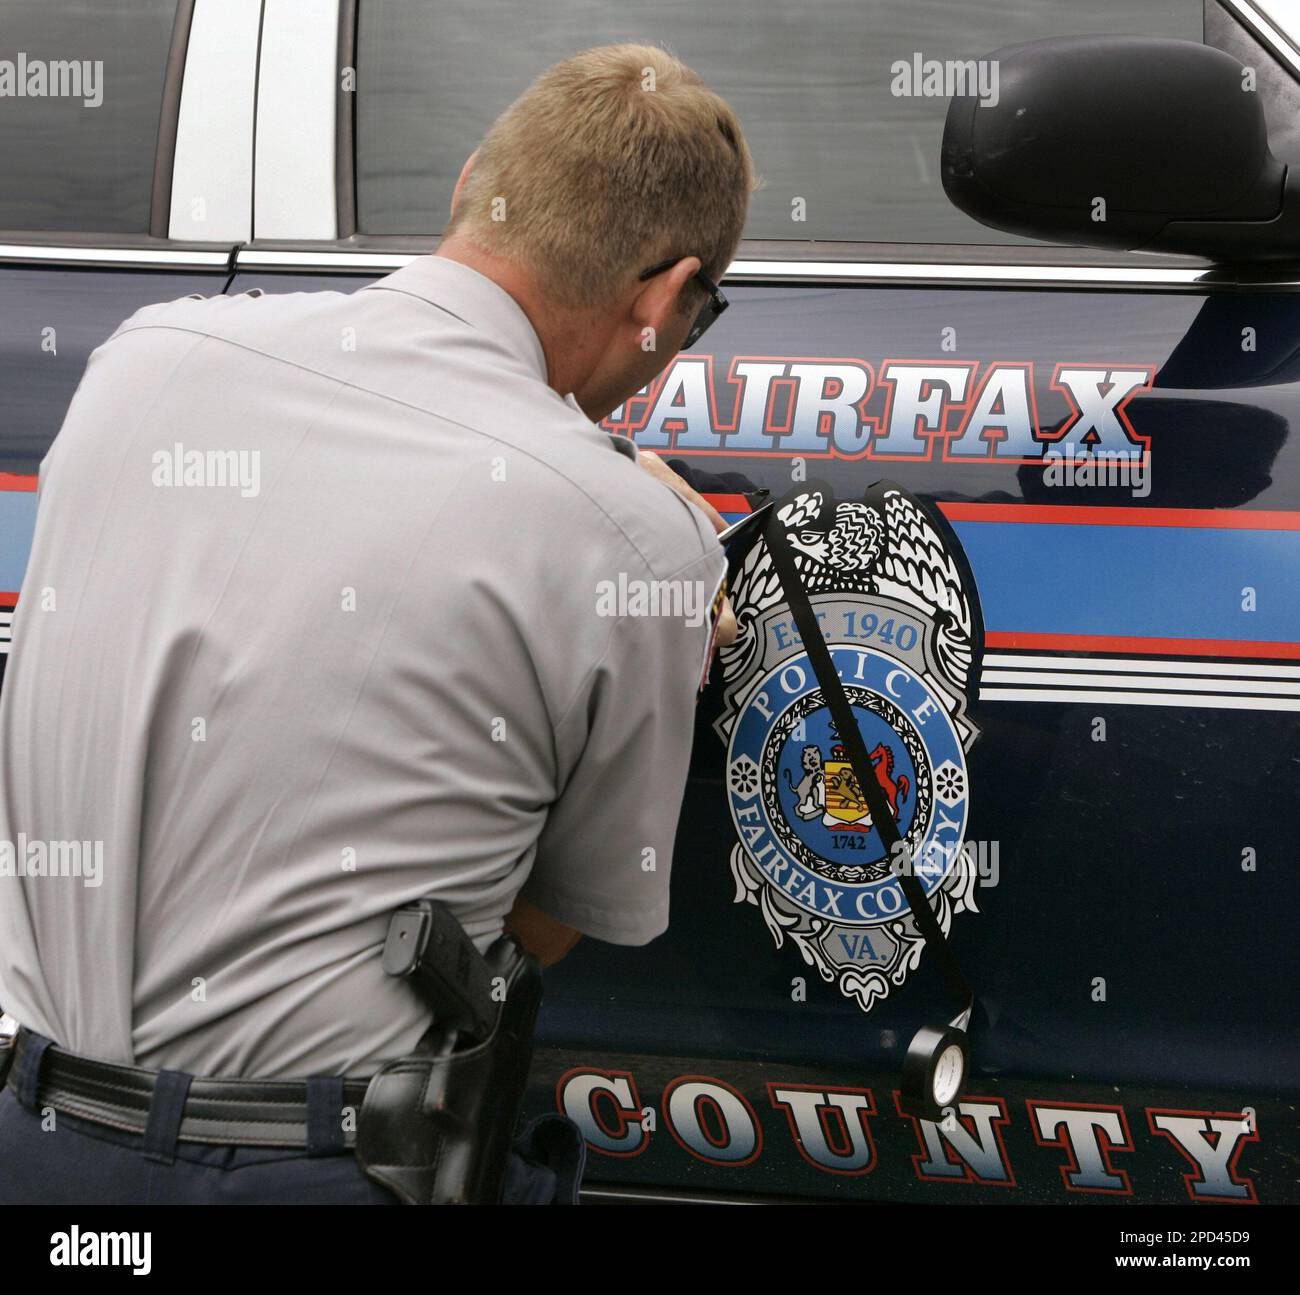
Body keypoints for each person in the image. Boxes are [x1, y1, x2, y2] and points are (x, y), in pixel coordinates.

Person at [0, 42, 755, 1204]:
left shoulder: (140, 358)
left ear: (468, 186)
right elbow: (544, 925)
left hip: (34, 1138)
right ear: (665, 296)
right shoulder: (631, 537)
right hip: (312, 1165)